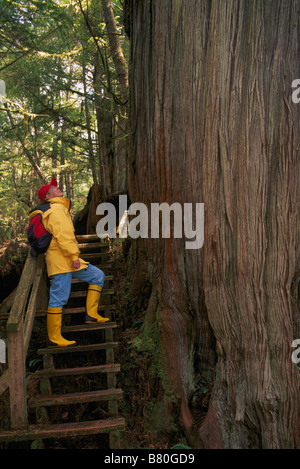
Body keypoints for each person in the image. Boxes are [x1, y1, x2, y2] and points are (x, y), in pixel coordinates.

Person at [29, 177, 109, 347]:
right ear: (48, 196)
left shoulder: (56, 208)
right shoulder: (56, 209)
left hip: (68, 260)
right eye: (54, 188)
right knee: (59, 298)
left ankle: (91, 314)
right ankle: (54, 337)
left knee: (97, 275)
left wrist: (73, 258)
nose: (59, 189)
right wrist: (74, 256)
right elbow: (63, 235)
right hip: (61, 261)